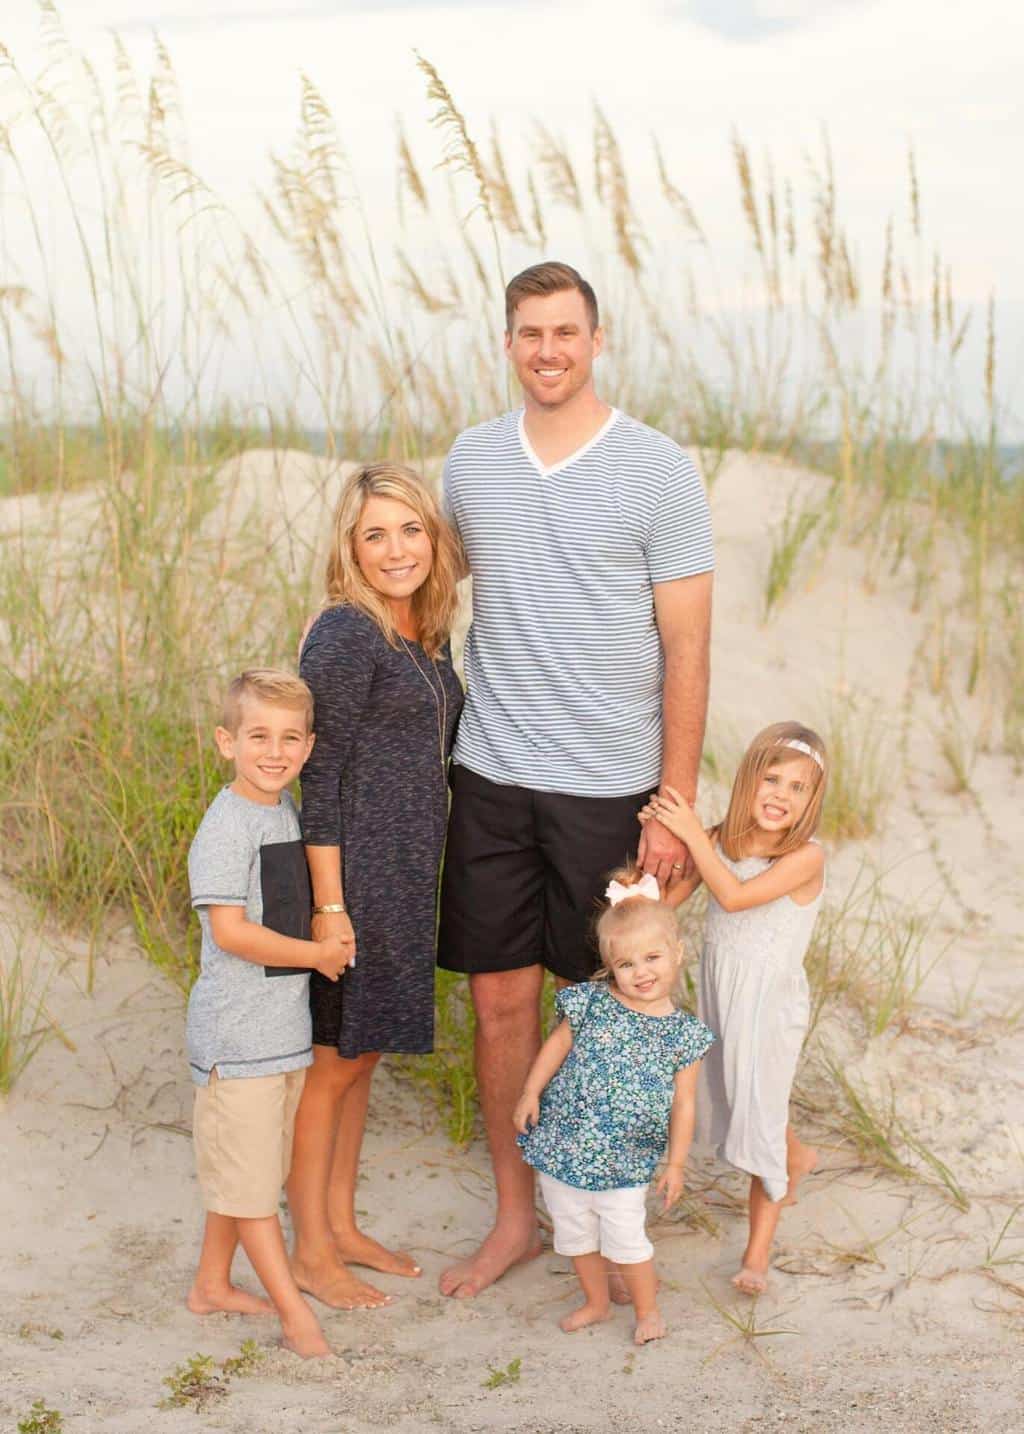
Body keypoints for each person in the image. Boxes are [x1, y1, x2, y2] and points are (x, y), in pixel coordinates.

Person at [437, 261, 714, 1298]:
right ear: (507, 345)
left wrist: (672, 809)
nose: (547, 350)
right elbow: (427, 584)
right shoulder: (470, 462)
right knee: (500, 1006)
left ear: (597, 340)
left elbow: (686, 646)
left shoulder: (657, 468)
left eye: (565, 332)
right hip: (494, 776)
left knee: (604, 1012)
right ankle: (519, 1218)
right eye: (528, 334)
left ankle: (608, 1219)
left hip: (610, 787)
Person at [288, 462, 464, 1311]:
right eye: (375, 535)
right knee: (331, 1064)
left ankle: (344, 1225)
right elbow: (315, 783)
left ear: (434, 537)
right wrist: (330, 907)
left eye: (410, 530)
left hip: (402, 876)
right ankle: (310, 1252)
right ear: (349, 548)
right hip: (351, 874)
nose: (397, 550)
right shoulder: (346, 635)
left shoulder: (421, 634)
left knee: (361, 1061)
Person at [185, 668, 349, 1359]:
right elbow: (231, 932)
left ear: (308, 746)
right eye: (258, 737)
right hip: (238, 1037)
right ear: (227, 741)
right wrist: (317, 955)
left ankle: (210, 1285)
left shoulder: (281, 810)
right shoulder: (226, 826)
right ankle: (293, 1313)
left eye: (289, 738)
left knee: (248, 1171)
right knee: (253, 1192)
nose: (274, 751)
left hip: (282, 1037)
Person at [640, 720, 827, 1294]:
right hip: (723, 998)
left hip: (769, 1007)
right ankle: (799, 1156)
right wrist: (641, 889)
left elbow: (736, 895)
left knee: (759, 1120)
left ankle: (756, 1256)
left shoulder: (807, 857)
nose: (781, 795)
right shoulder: (722, 839)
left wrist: (696, 835)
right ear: (750, 779)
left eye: (798, 788)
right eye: (772, 779)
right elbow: (671, 902)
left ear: (811, 801)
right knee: (740, 1096)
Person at [513, 871, 713, 1343]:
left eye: (652, 958)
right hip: (565, 1145)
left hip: (625, 1159)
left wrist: (677, 1162)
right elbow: (556, 1047)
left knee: (626, 1238)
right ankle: (596, 1302)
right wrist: (529, 1092)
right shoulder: (592, 1004)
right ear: (608, 967)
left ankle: (647, 1312)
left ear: (676, 954)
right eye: (626, 964)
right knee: (574, 1233)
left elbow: (684, 1104)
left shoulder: (683, 1035)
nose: (641, 972)